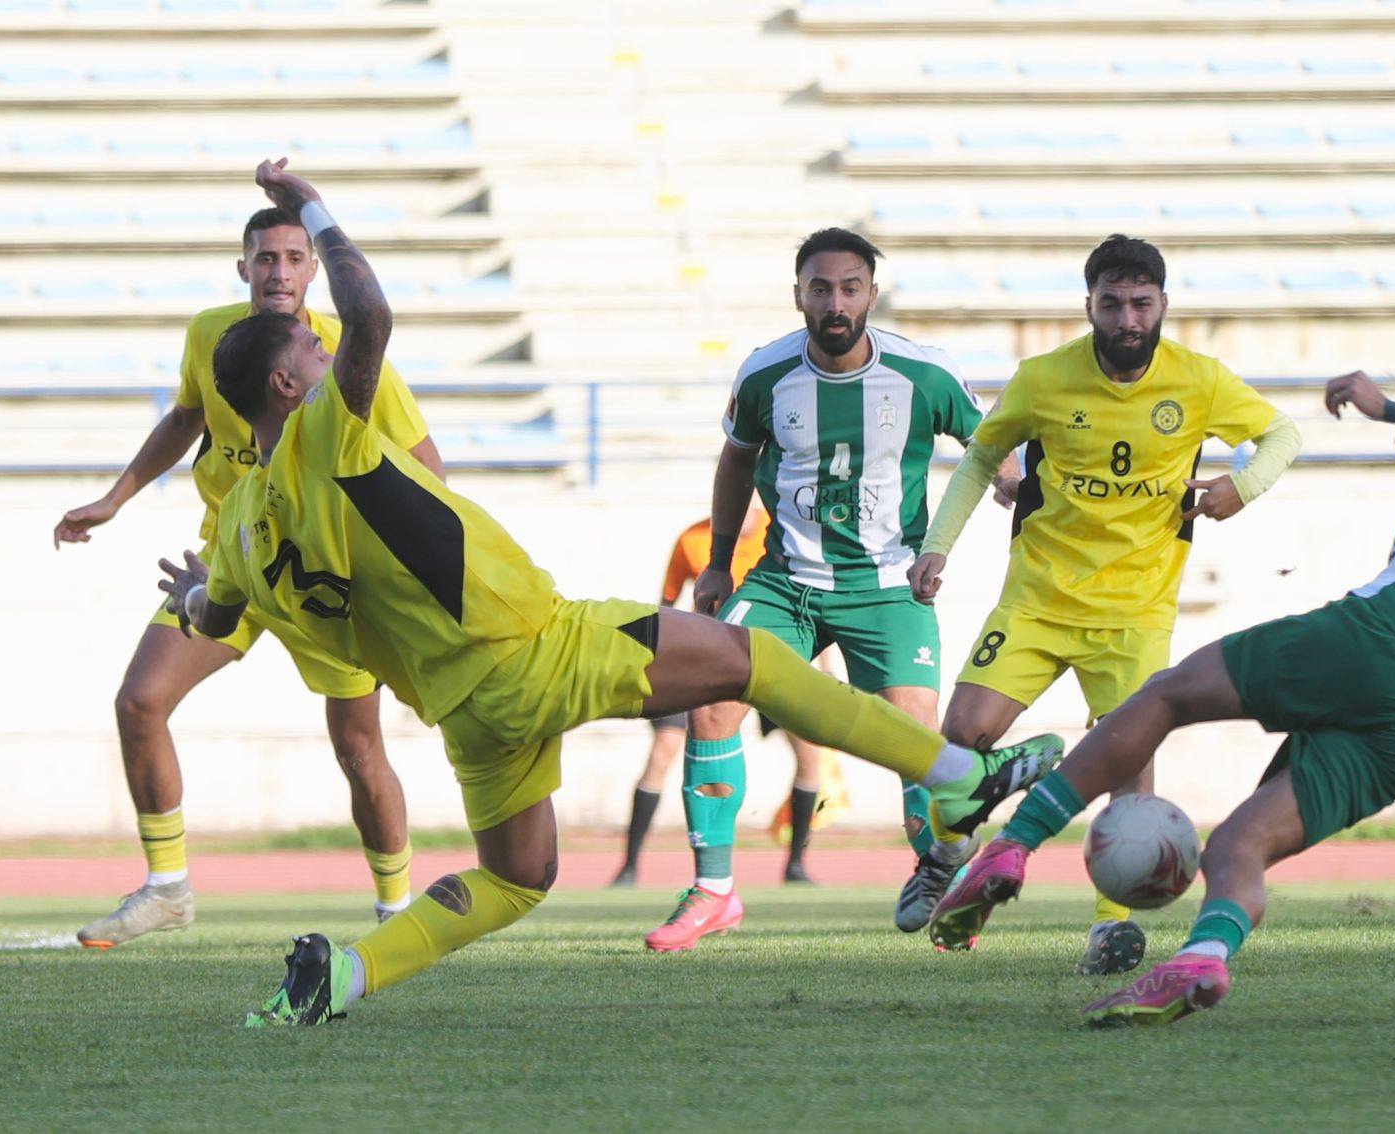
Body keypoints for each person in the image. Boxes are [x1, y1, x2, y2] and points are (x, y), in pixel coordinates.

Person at [160, 160, 1061, 1026]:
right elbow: (368, 313)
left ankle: (347, 974)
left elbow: (216, 616)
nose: (326, 355)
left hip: (464, 713)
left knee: (516, 875)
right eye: (311, 354)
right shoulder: (325, 430)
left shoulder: (236, 528)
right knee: (752, 662)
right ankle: (953, 783)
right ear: (287, 385)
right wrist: (312, 206)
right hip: (532, 645)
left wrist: (201, 593)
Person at [931, 358, 1395, 1027]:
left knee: (1165, 695)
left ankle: (1012, 844)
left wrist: (1386, 408)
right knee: (1237, 847)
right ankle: (1203, 958)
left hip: (1384, 643)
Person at [907, 234, 1302, 969]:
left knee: (1131, 770)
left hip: (1137, 611)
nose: (1127, 318)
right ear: (1088, 305)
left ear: (1162, 306)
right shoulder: (1044, 379)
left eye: (1141, 303)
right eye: (1112, 303)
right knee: (960, 736)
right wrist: (939, 545)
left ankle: (1110, 928)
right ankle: (950, 856)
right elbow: (984, 455)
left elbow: (1283, 433)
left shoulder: (1200, 380)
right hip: (1038, 598)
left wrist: (1238, 488)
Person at [54, 204, 443, 947]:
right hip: (228, 562)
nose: (280, 272)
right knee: (139, 702)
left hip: (328, 581)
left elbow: (427, 468)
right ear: (244, 269)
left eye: (296, 258)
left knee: (359, 749)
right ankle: (167, 890)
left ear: (315, 270)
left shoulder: (344, 354)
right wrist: (114, 497)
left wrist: (407, 567)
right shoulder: (213, 335)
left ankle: (397, 909)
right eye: (266, 258)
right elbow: (185, 418)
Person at [644, 227, 1009, 953]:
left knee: (913, 739)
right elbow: (736, 461)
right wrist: (718, 562)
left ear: (871, 293)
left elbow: (993, 447)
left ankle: (938, 881)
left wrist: (1007, 487)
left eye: (849, 288)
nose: (834, 302)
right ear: (799, 296)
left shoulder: (923, 374)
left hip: (887, 587)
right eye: (820, 288)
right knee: (710, 698)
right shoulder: (764, 374)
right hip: (786, 581)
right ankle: (714, 890)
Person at [613, 503, 842, 887]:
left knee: (810, 754)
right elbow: (665, 606)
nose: (745, 508)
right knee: (663, 751)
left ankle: (796, 864)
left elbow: (812, 600)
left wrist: (826, 668)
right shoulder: (692, 539)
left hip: (771, 655)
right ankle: (630, 865)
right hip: (706, 661)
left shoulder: (784, 532)